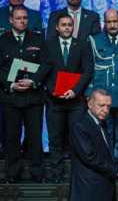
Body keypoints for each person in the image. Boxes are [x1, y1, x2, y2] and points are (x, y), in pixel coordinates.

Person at [36, 13, 94, 183]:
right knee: (55, 138)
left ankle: (78, 174)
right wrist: (52, 89)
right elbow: (44, 70)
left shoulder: (82, 44)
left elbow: (88, 71)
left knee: (77, 138)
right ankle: (56, 174)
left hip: (76, 101)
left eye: (70, 24)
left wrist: (75, 90)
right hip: (54, 100)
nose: (67, 27)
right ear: (57, 27)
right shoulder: (48, 45)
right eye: (63, 25)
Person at [0, 7, 46, 183]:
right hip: (10, 97)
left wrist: (33, 81)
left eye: (25, 18)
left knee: (35, 137)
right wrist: (9, 83)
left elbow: (46, 64)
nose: (22, 21)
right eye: (18, 18)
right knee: (11, 137)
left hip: (33, 97)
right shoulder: (2, 40)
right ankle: (13, 173)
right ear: (11, 20)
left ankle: (37, 173)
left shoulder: (38, 39)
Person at [69, 89, 118, 201]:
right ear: (89, 104)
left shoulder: (100, 122)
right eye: (101, 105)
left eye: (108, 106)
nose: (106, 110)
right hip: (89, 191)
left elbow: (101, 153)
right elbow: (91, 158)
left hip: (103, 188)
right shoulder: (80, 125)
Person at [86, 9, 118, 159]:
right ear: (104, 23)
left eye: (114, 21)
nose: (112, 25)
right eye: (108, 22)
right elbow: (88, 68)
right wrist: (89, 93)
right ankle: (106, 161)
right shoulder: (95, 40)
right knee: (104, 130)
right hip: (101, 95)